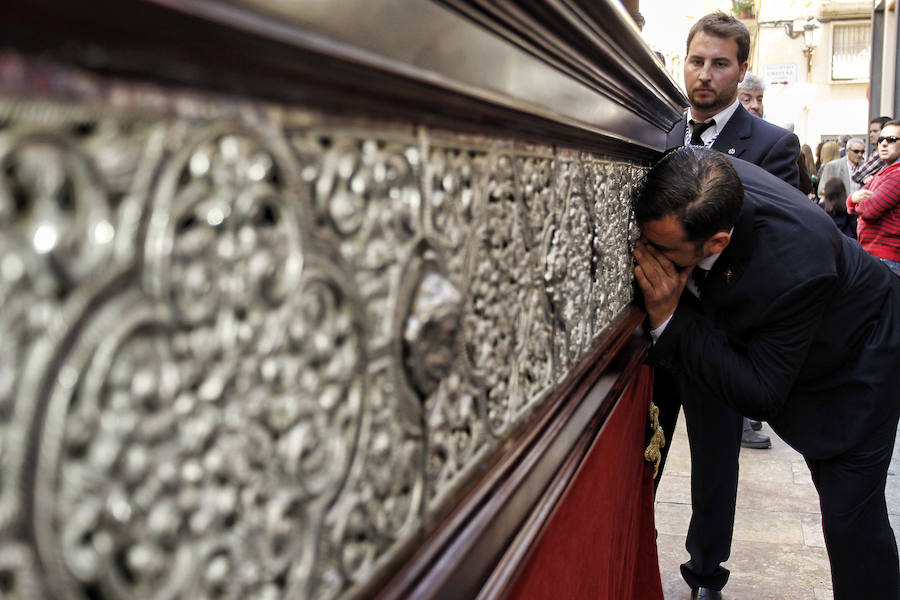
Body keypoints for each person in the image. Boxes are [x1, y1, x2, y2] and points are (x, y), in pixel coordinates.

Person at [634, 145, 900, 600]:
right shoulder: (699, 176)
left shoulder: (795, 268)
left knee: (850, 518)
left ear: (715, 243)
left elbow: (761, 391)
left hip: (859, 362)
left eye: (661, 250)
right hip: (810, 324)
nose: (644, 254)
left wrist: (670, 319)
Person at [657, 11, 801, 598]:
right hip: (661, 328)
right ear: (682, 64)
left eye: (720, 63)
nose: (705, 74)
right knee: (648, 448)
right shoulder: (664, 137)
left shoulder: (773, 146)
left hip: (722, 335)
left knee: (715, 466)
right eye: (697, 61)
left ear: (743, 70)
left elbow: (769, 246)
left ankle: (704, 577)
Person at [847, 120, 900, 275]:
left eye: (891, 140)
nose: (883, 144)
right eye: (880, 140)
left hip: (887, 258)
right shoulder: (883, 172)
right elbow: (852, 201)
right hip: (874, 255)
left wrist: (856, 201)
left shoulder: (897, 174)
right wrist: (853, 199)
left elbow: (871, 209)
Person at [852, 115, 892, 187]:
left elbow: (857, 175)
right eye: (870, 131)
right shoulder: (875, 151)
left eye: (875, 131)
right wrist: (865, 177)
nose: (871, 134)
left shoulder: (882, 153)